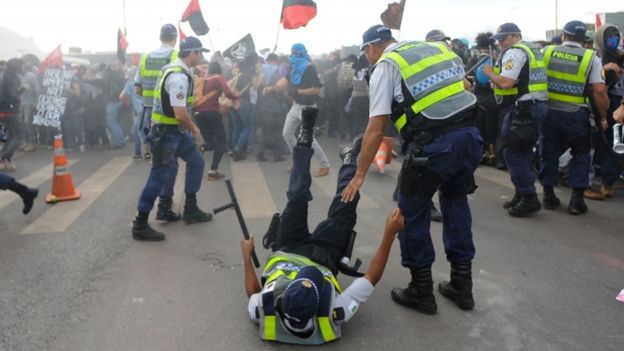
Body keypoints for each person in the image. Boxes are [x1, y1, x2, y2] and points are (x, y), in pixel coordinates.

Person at [342, 25, 482, 315]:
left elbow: (376, 128)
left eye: (367, 53)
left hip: (432, 146)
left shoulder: (386, 66)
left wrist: (359, 174)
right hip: (469, 137)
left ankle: (421, 291)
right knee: (455, 203)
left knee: (411, 212)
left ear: (372, 48)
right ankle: (462, 286)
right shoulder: (436, 49)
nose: (368, 58)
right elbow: (466, 87)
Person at [242, 108, 401, 344]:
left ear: (283, 300)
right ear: (318, 303)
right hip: (323, 258)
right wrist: (389, 234)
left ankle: (305, 136)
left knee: (296, 196)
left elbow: (253, 293)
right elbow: (371, 278)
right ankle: (349, 158)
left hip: (288, 248)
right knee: (345, 208)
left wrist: (246, 258)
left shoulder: (264, 307)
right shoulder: (334, 313)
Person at [132, 36, 213, 241]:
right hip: (167, 133)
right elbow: (179, 113)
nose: (202, 57)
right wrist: (195, 130)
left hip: (175, 131)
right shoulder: (178, 77)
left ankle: (190, 208)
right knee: (158, 177)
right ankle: (140, 224)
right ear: (192, 53)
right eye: (200, 53)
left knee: (196, 161)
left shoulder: (178, 70)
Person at [539, 21, 609, 215]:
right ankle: (576, 201)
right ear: (583, 40)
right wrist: (603, 117)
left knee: (548, 152)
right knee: (581, 154)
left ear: (564, 35)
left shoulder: (547, 51)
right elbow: (600, 91)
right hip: (575, 114)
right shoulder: (591, 57)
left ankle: (548, 196)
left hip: (549, 112)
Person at [482, 23, 548, 217]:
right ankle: (521, 193)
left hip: (523, 109)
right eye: (498, 39)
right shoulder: (533, 49)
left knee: (512, 153)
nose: (500, 42)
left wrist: (489, 73)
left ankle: (529, 197)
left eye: (503, 38)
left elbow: (505, 82)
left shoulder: (515, 52)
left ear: (515, 35)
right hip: (535, 105)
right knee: (524, 152)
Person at [134, 23, 181, 222]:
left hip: (147, 116)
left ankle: (160, 206)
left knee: (159, 162)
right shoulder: (175, 57)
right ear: (175, 38)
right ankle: (161, 206)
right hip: (166, 117)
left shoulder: (144, 57)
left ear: (160, 36)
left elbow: (137, 88)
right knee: (167, 165)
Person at [271, 43, 331, 177]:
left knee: (308, 138)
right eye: (291, 53)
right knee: (287, 133)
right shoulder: (293, 67)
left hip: (308, 107)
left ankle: (325, 165)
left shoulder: (309, 68)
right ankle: (298, 162)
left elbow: (316, 89)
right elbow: (283, 81)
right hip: (296, 105)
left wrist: (298, 91)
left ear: (301, 53)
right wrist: (272, 87)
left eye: (294, 53)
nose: (292, 55)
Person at [586, 23, 624, 199]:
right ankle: (605, 181)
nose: (613, 40)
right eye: (609, 37)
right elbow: (590, 82)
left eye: (615, 36)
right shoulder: (594, 57)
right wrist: (605, 69)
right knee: (606, 143)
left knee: (612, 143)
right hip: (601, 104)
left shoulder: (619, 56)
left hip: (615, 104)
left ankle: (606, 183)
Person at [193, 61, 239, 179]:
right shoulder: (219, 78)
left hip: (198, 114)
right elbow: (228, 93)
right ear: (219, 70)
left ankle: (200, 149)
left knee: (211, 143)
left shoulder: (203, 80)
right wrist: (236, 97)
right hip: (212, 113)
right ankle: (213, 171)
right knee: (221, 142)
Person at [0, 58, 24, 171]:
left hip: (4, 109)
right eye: (21, 65)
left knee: (11, 135)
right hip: (10, 109)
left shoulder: (5, 75)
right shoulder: (11, 77)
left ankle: (6, 159)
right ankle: (3, 157)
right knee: (18, 135)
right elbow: (13, 95)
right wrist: (23, 89)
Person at [120, 66, 146, 160]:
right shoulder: (142, 82)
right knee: (138, 131)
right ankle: (138, 153)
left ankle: (145, 152)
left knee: (138, 132)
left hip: (139, 111)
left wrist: (128, 102)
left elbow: (121, 96)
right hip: (147, 108)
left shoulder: (130, 84)